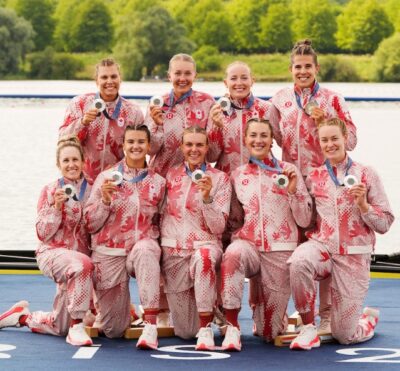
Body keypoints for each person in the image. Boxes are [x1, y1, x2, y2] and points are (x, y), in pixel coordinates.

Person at [270, 39, 358, 333]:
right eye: (298, 67)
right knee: (294, 248)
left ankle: (328, 314)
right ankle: (298, 309)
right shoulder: (279, 99)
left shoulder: (333, 98)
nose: (303, 71)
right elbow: (265, 138)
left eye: (308, 66)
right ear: (291, 69)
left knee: (326, 245)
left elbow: (353, 141)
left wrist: (328, 120)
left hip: (326, 184)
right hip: (292, 184)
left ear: (316, 68)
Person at [288, 118, 394, 350]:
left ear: (346, 139)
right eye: (324, 140)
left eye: (335, 138)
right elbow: (305, 220)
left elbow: (385, 223)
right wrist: (294, 192)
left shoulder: (367, 174)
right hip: (322, 248)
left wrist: (364, 206)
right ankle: (308, 328)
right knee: (298, 261)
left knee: (344, 336)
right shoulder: (314, 176)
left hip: (353, 255)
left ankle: (366, 320)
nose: (330, 144)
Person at [220, 118, 312, 351]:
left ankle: (270, 315)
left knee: (269, 334)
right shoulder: (239, 174)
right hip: (249, 246)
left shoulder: (289, 171)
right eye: (253, 135)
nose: (258, 140)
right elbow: (234, 218)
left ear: (272, 140)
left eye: (264, 135)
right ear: (246, 140)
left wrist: (293, 193)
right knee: (233, 254)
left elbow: (304, 220)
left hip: (280, 249)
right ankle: (232, 327)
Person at [0, 136, 94, 346]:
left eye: (75, 160)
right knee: (81, 264)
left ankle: (22, 316)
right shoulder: (50, 190)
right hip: (53, 253)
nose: (71, 165)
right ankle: (77, 326)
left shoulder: (93, 189)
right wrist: (56, 209)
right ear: (58, 164)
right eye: (66, 161)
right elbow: (42, 234)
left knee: (60, 327)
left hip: (80, 261)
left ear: (83, 161)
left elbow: (98, 226)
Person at [84, 125, 166, 349]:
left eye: (141, 142)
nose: (135, 146)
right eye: (131, 142)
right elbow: (90, 224)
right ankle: (124, 308)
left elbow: (164, 223)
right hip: (109, 252)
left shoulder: (158, 182)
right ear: (123, 145)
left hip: (142, 249)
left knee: (147, 249)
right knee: (113, 330)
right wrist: (105, 201)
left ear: (149, 147)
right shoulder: (107, 178)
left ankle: (150, 325)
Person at [160, 126, 231, 350]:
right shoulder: (170, 175)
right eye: (189, 144)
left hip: (206, 246)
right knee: (185, 332)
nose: (194, 149)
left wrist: (208, 198)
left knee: (205, 259)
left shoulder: (220, 179)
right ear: (181, 147)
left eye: (199, 145)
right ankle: (211, 310)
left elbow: (219, 226)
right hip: (175, 253)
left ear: (207, 147)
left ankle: (206, 327)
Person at [59, 58, 144, 183]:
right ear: (96, 81)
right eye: (104, 77)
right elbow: (62, 140)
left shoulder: (133, 111)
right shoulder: (80, 104)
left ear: (120, 78)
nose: (109, 81)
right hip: (83, 180)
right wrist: (82, 123)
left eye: (113, 76)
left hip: (115, 180)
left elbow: (141, 149)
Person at [144, 53, 220, 177]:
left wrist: (218, 128)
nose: (182, 78)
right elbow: (150, 150)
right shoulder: (157, 104)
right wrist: (156, 125)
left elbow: (212, 155)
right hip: (162, 176)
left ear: (195, 75)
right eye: (178, 73)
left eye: (188, 73)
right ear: (169, 76)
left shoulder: (207, 102)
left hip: (196, 177)